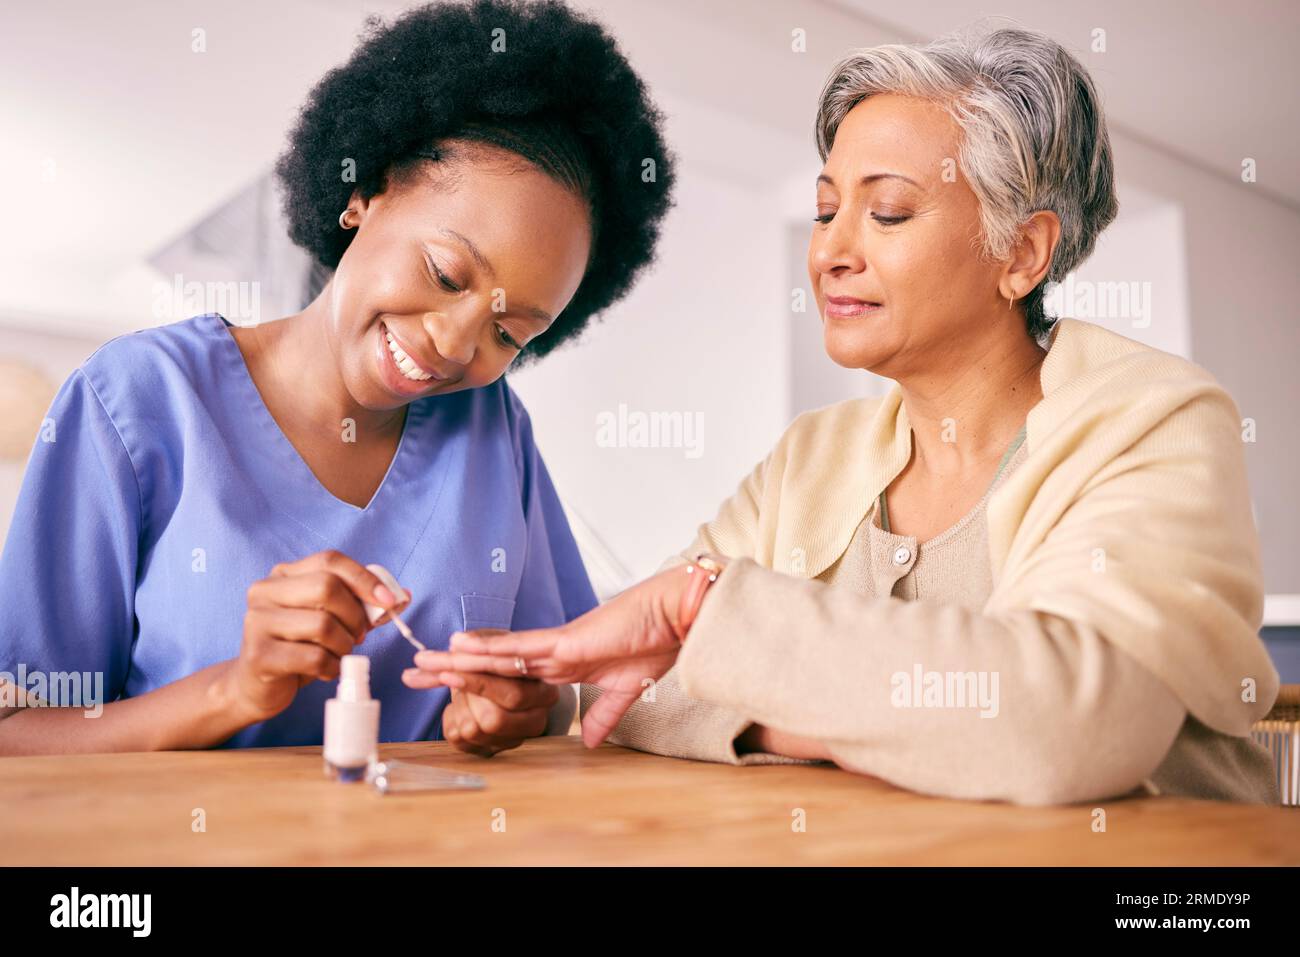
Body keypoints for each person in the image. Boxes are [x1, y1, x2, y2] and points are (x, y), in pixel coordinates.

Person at [408, 27, 1280, 805]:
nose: (829, 249)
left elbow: (1064, 729)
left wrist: (724, 640)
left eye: (888, 211)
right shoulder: (814, 458)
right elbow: (634, 691)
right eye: (827, 209)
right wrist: (887, 728)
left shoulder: (1156, 422)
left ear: (1021, 253)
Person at [0, 0, 674, 757]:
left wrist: (522, 707)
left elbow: (566, 684)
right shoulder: (134, 400)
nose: (455, 346)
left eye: (508, 331)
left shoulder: (496, 431)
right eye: (447, 272)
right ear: (366, 192)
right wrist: (235, 689)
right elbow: (15, 736)